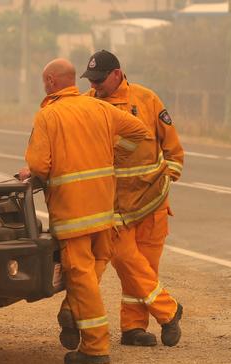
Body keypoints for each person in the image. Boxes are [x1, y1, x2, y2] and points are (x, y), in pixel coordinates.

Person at [19, 58, 149, 364]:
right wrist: (113, 152)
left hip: (73, 214)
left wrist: (32, 172)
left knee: (81, 279)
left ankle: (95, 347)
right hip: (104, 210)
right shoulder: (101, 108)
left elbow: (39, 166)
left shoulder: (48, 116)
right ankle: (71, 312)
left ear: (50, 82)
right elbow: (139, 132)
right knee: (94, 268)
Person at [80, 50, 184, 348]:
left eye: (99, 80)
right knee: (126, 260)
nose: (95, 85)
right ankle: (168, 310)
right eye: (92, 80)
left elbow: (173, 148)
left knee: (146, 269)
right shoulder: (89, 106)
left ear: (117, 74)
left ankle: (133, 328)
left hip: (153, 203)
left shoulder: (147, 100)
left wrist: (168, 176)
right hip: (114, 207)